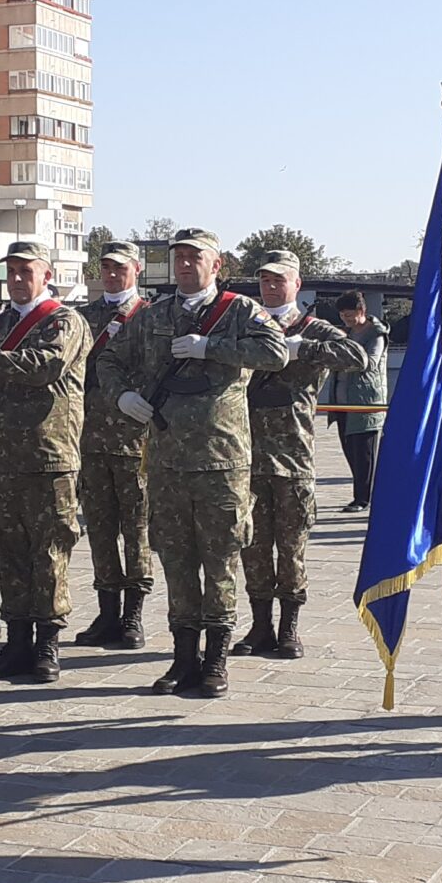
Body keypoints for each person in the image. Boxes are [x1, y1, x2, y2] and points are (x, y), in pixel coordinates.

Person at [94, 227, 289, 698]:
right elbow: (109, 359)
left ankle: (216, 658)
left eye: (194, 258)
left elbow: (277, 352)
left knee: (220, 562)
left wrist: (212, 347)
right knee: (177, 562)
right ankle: (183, 658)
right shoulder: (153, 315)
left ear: (215, 264)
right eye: (178, 257)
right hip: (166, 462)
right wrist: (122, 396)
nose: (184, 265)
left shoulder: (239, 311)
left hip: (222, 462)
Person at [0, 241, 90, 681]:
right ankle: (16, 641)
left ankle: (48, 644)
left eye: (26, 271)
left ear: (46, 275)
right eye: (11, 271)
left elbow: (44, 365)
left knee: (49, 552)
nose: (17, 279)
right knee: (10, 551)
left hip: (49, 456)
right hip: (2, 457)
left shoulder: (63, 321)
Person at [230, 250, 365, 660]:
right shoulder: (245, 324)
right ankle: (260, 626)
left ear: (296, 284)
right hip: (246, 453)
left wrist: (303, 348)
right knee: (252, 546)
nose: (271, 288)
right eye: (265, 281)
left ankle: (289, 628)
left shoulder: (315, 329)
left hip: (293, 457)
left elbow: (358, 359)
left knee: (291, 548)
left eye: (279, 280)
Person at [74, 239, 154, 649]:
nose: (111, 274)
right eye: (105, 267)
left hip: (133, 442)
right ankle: (107, 613)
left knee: (136, 530)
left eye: (119, 268)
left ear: (135, 270)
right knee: (100, 530)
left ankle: (133, 617)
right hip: (90, 439)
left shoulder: (150, 317)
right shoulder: (82, 316)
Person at [327, 292, 387, 512]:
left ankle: (363, 499)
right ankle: (362, 494)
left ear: (362, 311)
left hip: (365, 404)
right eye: (343, 315)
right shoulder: (344, 333)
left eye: (350, 315)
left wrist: (342, 358)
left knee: (365, 455)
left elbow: (370, 363)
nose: (346, 319)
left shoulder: (376, 335)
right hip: (341, 403)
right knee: (350, 452)